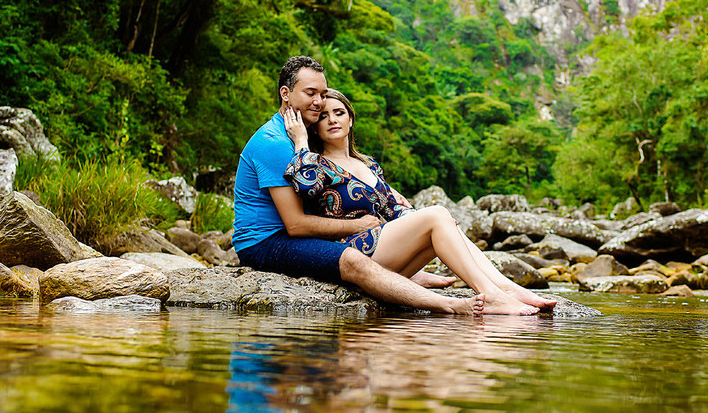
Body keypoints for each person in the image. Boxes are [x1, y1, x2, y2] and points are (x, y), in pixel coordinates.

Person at [232, 56, 484, 315]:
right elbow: (295, 225)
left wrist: (385, 192)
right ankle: (447, 304)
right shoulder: (274, 142)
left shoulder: (300, 137)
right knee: (353, 258)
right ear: (285, 93)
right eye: (310, 93)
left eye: (322, 93)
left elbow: (327, 187)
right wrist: (358, 225)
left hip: (292, 234)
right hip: (264, 243)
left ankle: (408, 278)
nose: (319, 102)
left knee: (425, 231)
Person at [281, 89, 556, 315]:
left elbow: (395, 210)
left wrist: (436, 222)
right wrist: (301, 142)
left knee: (444, 220)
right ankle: (493, 295)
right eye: (324, 117)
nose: (331, 120)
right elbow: (305, 187)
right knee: (437, 215)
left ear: (351, 119)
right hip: (351, 254)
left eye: (339, 113)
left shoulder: (368, 164)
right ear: (315, 128)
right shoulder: (315, 162)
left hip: (385, 256)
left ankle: (505, 287)